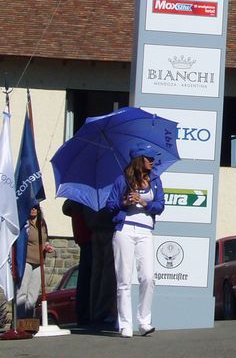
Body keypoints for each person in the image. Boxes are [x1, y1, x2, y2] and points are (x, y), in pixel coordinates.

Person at [105, 142, 165, 338]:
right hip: (124, 231)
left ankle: (144, 321)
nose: (153, 162)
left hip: (145, 231)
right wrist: (125, 202)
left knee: (148, 277)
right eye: (149, 159)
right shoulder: (122, 180)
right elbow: (110, 206)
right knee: (124, 279)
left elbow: (160, 206)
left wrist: (144, 203)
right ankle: (125, 324)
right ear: (139, 160)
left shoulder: (155, 180)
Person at [16, 205, 55, 318]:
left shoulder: (42, 223)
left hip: (39, 262)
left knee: (33, 296)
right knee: (22, 292)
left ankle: (29, 320)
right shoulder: (24, 223)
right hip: (26, 261)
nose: (33, 210)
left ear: (38, 210)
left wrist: (47, 247)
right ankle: (20, 320)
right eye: (31, 208)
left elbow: (45, 240)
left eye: (35, 208)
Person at [62, 199, 93, 325]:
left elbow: (65, 209)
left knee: (84, 278)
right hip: (89, 238)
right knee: (88, 279)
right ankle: (86, 313)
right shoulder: (84, 199)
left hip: (83, 238)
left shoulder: (75, 199)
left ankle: (83, 313)